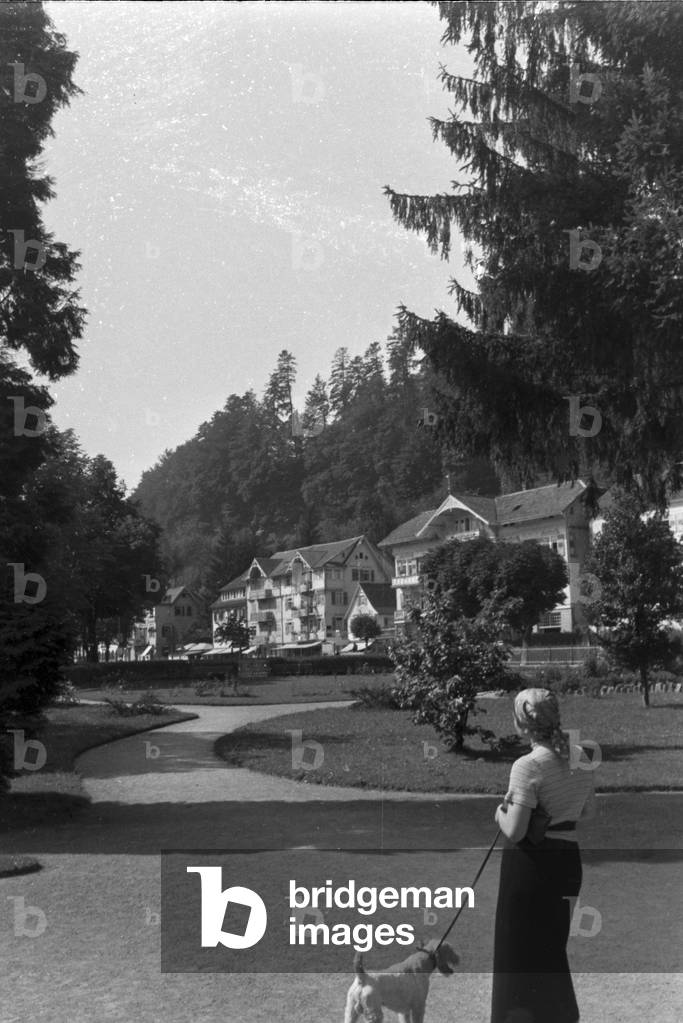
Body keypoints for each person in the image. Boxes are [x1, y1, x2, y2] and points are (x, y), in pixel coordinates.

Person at [490, 688, 597, 1023]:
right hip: (567, 862)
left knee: (517, 951)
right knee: (551, 948)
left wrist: (499, 811)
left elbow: (515, 830)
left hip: (530, 868)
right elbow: (589, 811)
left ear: (523, 724)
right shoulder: (580, 755)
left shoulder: (527, 765)